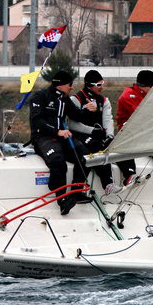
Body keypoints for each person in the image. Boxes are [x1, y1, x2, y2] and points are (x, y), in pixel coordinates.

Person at [28, 69, 87, 214]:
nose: (71, 87)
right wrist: (57, 131)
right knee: (57, 160)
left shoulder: (65, 99)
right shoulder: (40, 96)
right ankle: (61, 199)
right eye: (70, 84)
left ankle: (76, 191)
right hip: (43, 137)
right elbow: (36, 121)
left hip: (62, 137)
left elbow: (77, 115)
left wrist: (88, 109)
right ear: (60, 85)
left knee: (84, 154)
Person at [68, 71, 113, 191]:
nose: (102, 87)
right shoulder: (76, 99)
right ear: (89, 85)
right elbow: (72, 124)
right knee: (95, 147)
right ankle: (107, 184)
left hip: (97, 134)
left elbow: (108, 120)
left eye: (102, 84)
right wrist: (92, 131)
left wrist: (110, 135)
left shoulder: (104, 101)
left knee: (110, 146)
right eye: (99, 85)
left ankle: (129, 174)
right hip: (80, 135)